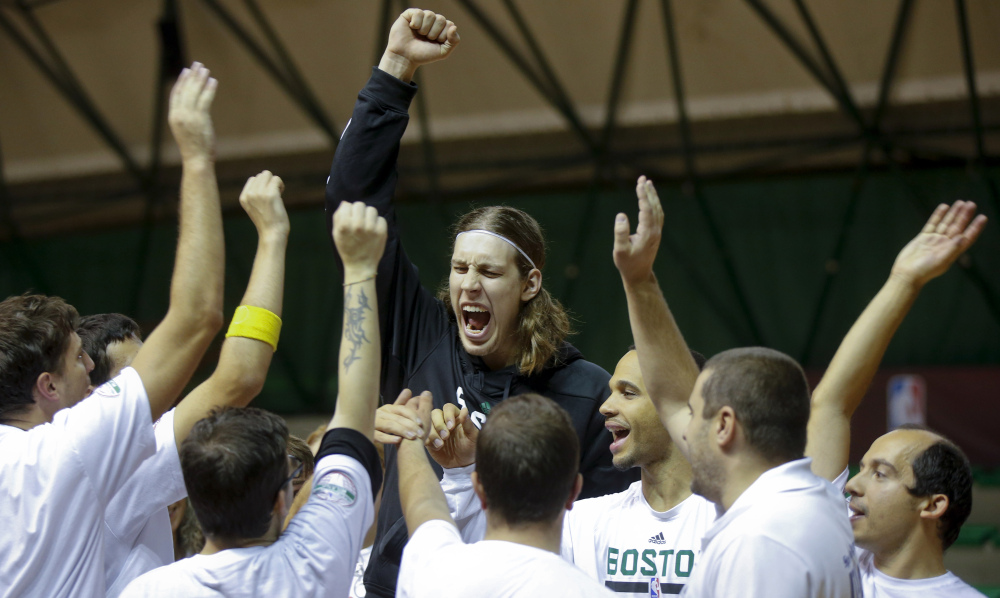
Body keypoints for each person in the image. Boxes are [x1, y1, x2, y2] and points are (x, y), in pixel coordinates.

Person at [324, 8, 637, 596]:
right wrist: (395, 70)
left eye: (489, 272)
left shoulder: (585, 392)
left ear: (530, 283)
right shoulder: (423, 335)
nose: (468, 284)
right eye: (459, 268)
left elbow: (601, 536)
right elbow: (352, 200)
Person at [0, 62, 225, 597]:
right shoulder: (64, 453)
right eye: (78, 358)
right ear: (46, 388)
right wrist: (196, 157)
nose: (90, 372)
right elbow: (198, 316)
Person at [120, 200, 388, 597]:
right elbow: (354, 415)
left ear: (192, 495)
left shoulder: (144, 591)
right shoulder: (314, 562)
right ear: (283, 500)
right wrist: (361, 270)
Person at [614, 177, 859, 597]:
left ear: (725, 425)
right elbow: (671, 396)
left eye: (695, 415)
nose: (683, 428)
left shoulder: (758, 542)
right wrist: (639, 282)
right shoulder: (818, 500)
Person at [99, 167, 294, 596]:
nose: (160, 387)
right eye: (135, 379)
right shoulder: (112, 474)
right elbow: (239, 376)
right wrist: (272, 237)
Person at [802, 200, 987, 597]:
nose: (852, 484)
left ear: (933, 505)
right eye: (863, 467)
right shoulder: (832, 553)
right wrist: (904, 281)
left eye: (880, 473)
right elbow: (830, 403)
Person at [395, 392, 614, 598]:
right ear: (574, 491)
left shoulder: (432, 571)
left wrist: (409, 437)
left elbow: (423, 504)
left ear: (478, 487)